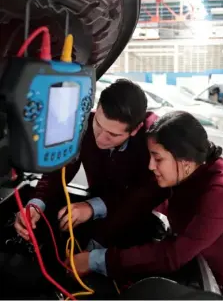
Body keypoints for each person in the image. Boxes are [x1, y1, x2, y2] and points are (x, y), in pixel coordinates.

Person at [69, 111, 223, 300]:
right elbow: (137, 199)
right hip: (218, 286)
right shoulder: (186, 173)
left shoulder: (220, 194)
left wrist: (99, 260)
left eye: (157, 158)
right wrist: (95, 224)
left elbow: (172, 255)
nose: (150, 166)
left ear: (184, 161)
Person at [14, 79, 167, 249]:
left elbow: (144, 196)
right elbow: (60, 170)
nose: (100, 138)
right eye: (98, 125)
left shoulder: (153, 143)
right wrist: (36, 204)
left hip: (137, 218)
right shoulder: (83, 123)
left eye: (113, 135)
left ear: (136, 129)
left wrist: (92, 210)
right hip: (95, 204)